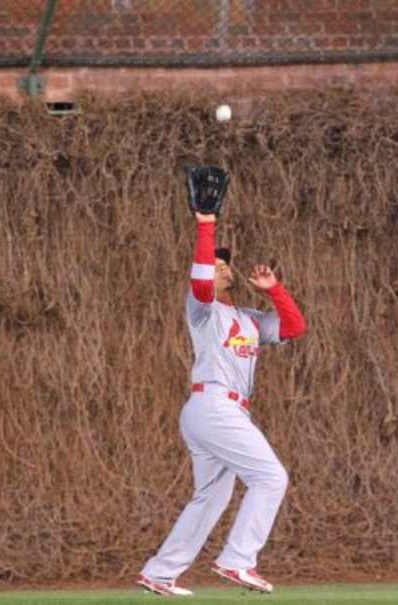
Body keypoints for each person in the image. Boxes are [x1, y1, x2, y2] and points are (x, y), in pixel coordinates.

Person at [137, 211, 306, 596]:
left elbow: (294, 328)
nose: (223, 268)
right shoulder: (202, 309)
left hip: (215, 412)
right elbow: (199, 277)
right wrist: (205, 224)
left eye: (225, 263)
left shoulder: (248, 318)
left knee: (212, 496)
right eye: (216, 264)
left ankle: (160, 573)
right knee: (271, 477)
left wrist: (274, 290)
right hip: (213, 405)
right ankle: (238, 560)